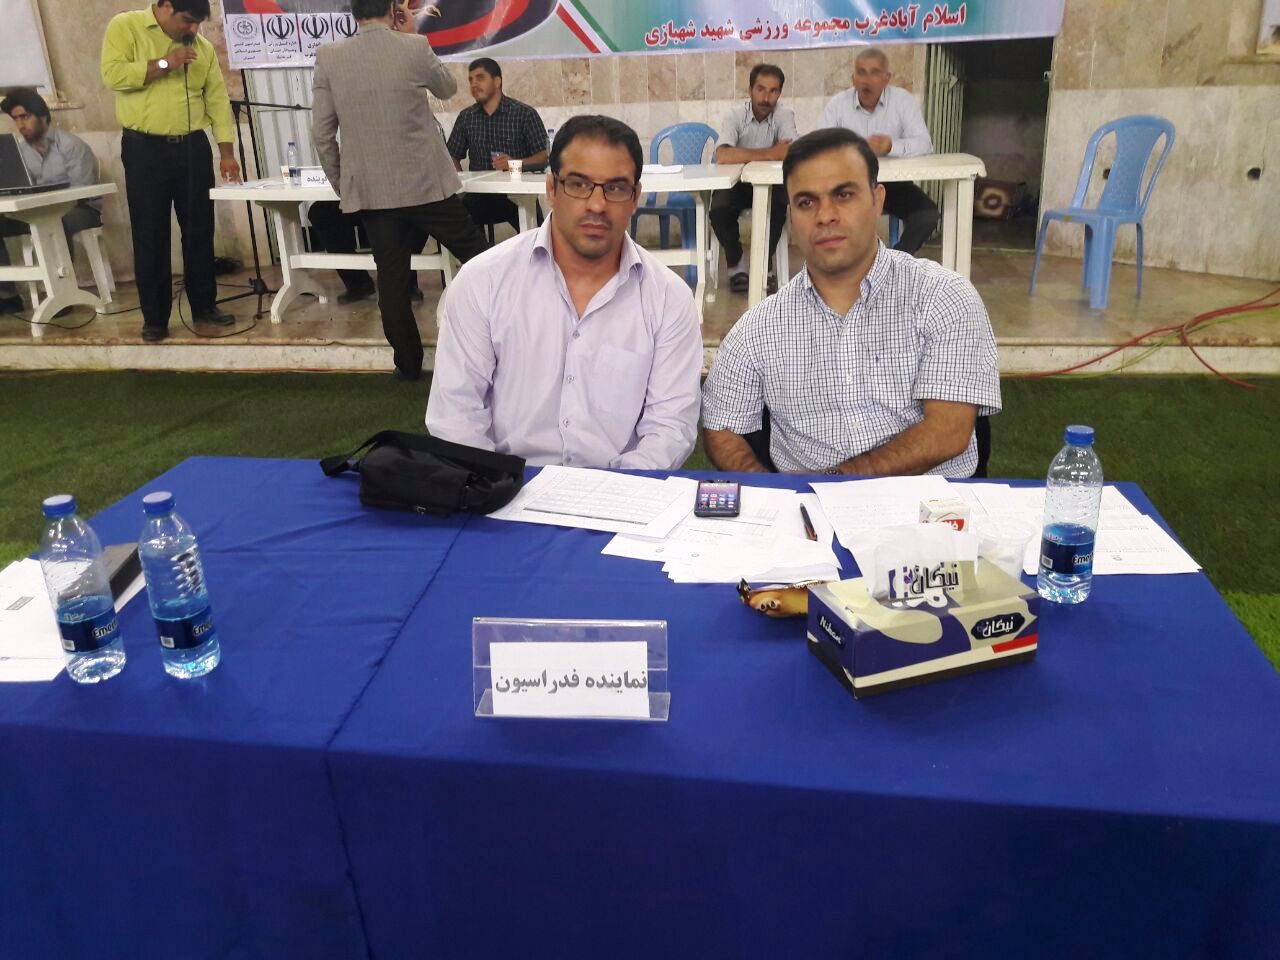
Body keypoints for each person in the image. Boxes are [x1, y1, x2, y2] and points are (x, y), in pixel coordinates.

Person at [701, 128, 1000, 478]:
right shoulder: (759, 328)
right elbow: (722, 427)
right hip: (807, 506)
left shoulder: (943, 297)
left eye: (843, 195)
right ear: (791, 216)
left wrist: (838, 482)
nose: (825, 215)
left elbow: (948, 431)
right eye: (806, 202)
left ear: (877, 200)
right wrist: (775, 493)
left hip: (931, 502)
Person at [426, 115, 703, 469]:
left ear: (635, 198)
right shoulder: (483, 282)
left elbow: (669, 428)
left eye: (616, 188)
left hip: (622, 490)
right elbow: (456, 417)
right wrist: (497, 487)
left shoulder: (669, 299)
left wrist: (616, 493)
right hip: (505, 489)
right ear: (551, 189)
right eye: (578, 184)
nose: (597, 204)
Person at [312, 0, 489, 380]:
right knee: (482, 259)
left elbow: (322, 135)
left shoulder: (329, 56)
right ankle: (515, 334)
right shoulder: (413, 46)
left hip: (374, 193)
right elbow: (448, 87)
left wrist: (345, 184)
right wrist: (412, 34)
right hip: (427, 184)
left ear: (353, 12)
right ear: (394, 10)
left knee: (391, 283)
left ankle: (407, 367)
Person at [101, 0, 241, 342]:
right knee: (150, 233)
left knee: (199, 230)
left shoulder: (202, 48)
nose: (193, 30)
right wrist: (166, 62)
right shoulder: (126, 27)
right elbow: (114, 76)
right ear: (165, 7)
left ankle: (204, 307)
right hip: (144, 149)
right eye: (187, 21)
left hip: (192, 147)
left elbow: (217, 100)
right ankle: (155, 319)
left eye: (198, 23)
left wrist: (226, 153)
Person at [820, 46, 939, 255]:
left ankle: (895, 262)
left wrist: (891, 146)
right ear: (853, 79)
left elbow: (924, 144)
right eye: (861, 73)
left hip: (894, 185)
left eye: (875, 72)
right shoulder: (837, 105)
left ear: (887, 78)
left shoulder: (903, 101)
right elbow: (819, 147)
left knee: (927, 215)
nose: (867, 80)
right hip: (850, 185)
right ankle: (848, 266)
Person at [0, 91, 103, 315]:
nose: (21, 125)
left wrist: (48, 205)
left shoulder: (71, 146)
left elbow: (82, 192)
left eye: (25, 117)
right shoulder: (20, 151)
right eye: (16, 119)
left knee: (56, 223)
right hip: (35, 213)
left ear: (43, 116)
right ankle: (7, 297)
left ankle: (60, 295)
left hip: (80, 209)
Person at [709, 63, 797, 296]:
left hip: (770, 183)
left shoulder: (785, 115)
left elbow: (790, 152)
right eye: (761, 89)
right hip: (738, 183)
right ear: (750, 90)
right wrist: (770, 153)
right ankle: (736, 266)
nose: (766, 98)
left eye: (773, 91)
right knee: (719, 209)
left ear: (780, 93)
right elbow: (723, 155)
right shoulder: (735, 115)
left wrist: (746, 154)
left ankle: (764, 267)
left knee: (779, 203)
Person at [447, 58, 549, 234]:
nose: (474, 84)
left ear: (497, 81)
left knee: (535, 232)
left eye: (480, 78)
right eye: (470, 80)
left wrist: (514, 164)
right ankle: (481, 252)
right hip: (479, 196)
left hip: (515, 194)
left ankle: (534, 248)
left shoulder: (524, 114)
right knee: (457, 218)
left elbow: (544, 156)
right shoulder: (466, 117)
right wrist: (461, 182)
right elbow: (452, 155)